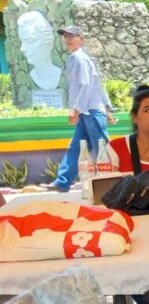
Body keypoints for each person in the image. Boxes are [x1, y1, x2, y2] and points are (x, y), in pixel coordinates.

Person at [46, 25, 117, 192]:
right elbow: (97, 85)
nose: (68, 39)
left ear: (81, 39)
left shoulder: (79, 58)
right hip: (89, 111)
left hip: (90, 111)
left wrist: (76, 109)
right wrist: (108, 108)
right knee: (76, 147)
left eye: (72, 36)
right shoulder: (81, 59)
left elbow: (86, 86)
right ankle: (62, 182)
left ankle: (115, 182)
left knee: (102, 149)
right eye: (66, 37)